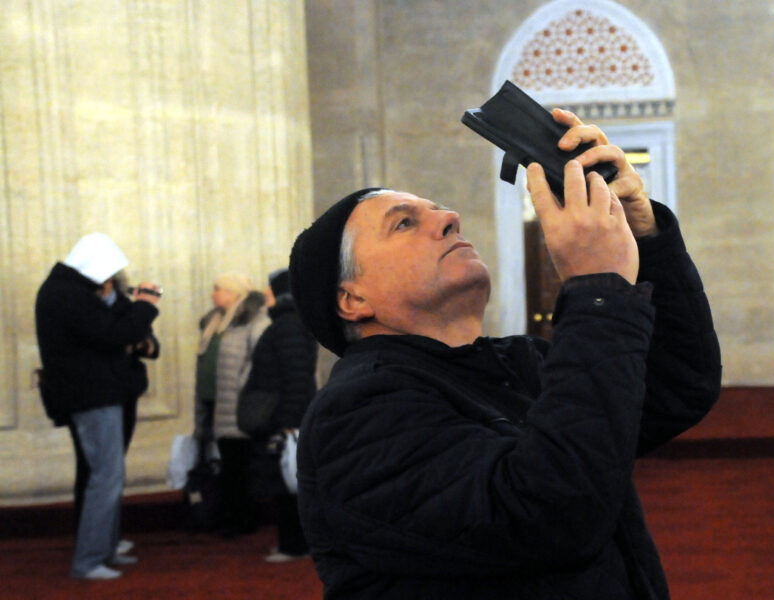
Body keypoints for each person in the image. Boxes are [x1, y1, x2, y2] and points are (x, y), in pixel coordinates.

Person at [289, 108, 722, 599]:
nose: (449, 218)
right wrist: (598, 290)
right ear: (352, 299)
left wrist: (645, 236)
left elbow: (677, 384)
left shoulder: (519, 362)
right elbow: (549, 515)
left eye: (438, 209)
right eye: (404, 223)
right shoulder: (356, 414)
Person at [34, 233, 161, 580]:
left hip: (98, 393)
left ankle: (104, 551)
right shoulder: (66, 294)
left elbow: (115, 333)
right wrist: (146, 305)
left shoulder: (65, 290)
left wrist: (132, 317)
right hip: (92, 396)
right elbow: (113, 335)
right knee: (105, 478)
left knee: (108, 476)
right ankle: (89, 561)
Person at [241, 268, 317, 562]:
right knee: (285, 482)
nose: (265, 294)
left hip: (287, 418)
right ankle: (291, 542)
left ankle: (294, 545)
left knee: (289, 483)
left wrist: (288, 422)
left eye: (270, 289)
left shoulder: (288, 326)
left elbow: (296, 379)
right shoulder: (289, 323)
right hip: (285, 416)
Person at [194, 272, 270, 536]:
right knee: (223, 464)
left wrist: (241, 387)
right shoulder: (213, 321)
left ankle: (241, 519)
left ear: (235, 293)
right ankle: (223, 515)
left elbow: (258, 359)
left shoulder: (254, 320)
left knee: (238, 465)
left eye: (219, 289)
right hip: (212, 402)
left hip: (236, 404)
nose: (213, 294)